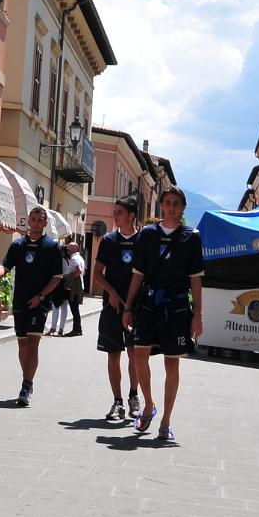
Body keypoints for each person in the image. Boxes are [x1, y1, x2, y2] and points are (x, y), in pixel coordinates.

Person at [122, 187, 204, 444]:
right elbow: (138, 274)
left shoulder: (191, 238)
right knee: (138, 354)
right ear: (161, 206)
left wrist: (197, 315)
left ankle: (166, 421)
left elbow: (196, 281)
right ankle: (149, 405)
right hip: (149, 304)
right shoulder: (147, 235)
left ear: (182, 208)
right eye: (167, 203)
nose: (171, 207)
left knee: (172, 363)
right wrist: (127, 307)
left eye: (176, 204)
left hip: (177, 306)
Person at [0, 206, 64, 407]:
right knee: (22, 345)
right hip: (20, 300)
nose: (37, 222)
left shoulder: (51, 247)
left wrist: (41, 296)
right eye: (34, 219)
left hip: (40, 302)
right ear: (28, 221)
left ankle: (26, 385)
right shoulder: (18, 245)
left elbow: (57, 278)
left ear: (45, 223)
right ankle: (27, 379)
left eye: (40, 220)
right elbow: (6, 265)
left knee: (32, 343)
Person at [92, 197, 144, 424]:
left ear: (132, 215)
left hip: (136, 308)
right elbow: (96, 274)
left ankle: (134, 396)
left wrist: (132, 303)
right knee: (113, 355)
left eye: (119, 212)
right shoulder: (108, 241)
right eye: (114, 212)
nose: (115, 216)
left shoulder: (144, 241)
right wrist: (111, 293)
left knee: (134, 354)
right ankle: (118, 400)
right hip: (111, 307)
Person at [62, 241, 87, 336]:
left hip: (75, 287)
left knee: (74, 310)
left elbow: (79, 271)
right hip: (78, 286)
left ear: (76, 248)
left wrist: (69, 277)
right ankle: (77, 329)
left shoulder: (74, 258)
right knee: (75, 309)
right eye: (68, 247)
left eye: (70, 248)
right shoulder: (79, 257)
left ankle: (77, 329)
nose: (68, 249)